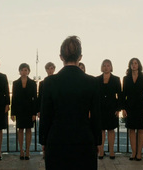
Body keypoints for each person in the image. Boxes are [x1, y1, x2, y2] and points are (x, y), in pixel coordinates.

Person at [40, 36, 101, 169]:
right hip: (84, 140)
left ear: (61, 57)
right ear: (80, 57)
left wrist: (43, 141)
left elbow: (45, 115)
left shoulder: (49, 83)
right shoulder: (92, 82)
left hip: (57, 140)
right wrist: (97, 141)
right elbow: (96, 116)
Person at [122, 58, 143, 161]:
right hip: (130, 107)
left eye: (135, 63)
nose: (134, 65)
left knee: (141, 129)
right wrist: (123, 108)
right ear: (129, 66)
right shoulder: (126, 78)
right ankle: (133, 152)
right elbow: (123, 94)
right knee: (131, 129)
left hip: (141, 106)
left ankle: (139, 153)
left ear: (139, 65)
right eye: (132, 63)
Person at [11, 63, 37, 160]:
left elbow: (35, 98)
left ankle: (28, 150)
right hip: (19, 110)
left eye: (26, 70)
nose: (24, 72)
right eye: (22, 70)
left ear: (28, 71)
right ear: (19, 71)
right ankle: (21, 150)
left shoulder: (33, 83)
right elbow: (13, 98)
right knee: (20, 130)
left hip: (29, 110)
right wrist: (13, 113)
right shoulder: (15, 83)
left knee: (29, 130)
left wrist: (34, 113)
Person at [97, 59, 121, 159]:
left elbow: (120, 95)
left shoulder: (116, 79)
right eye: (104, 65)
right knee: (101, 131)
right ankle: (101, 152)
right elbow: (95, 95)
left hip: (112, 108)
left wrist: (118, 108)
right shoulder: (97, 79)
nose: (106, 67)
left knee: (111, 130)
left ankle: (112, 151)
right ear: (102, 67)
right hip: (100, 108)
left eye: (108, 65)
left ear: (111, 67)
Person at [37, 62, 56, 158]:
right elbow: (40, 97)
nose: (50, 70)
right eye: (49, 68)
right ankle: (44, 151)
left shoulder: (57, 81)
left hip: (54, 110)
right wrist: (39, 110)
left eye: (52, 68)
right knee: (44, 130)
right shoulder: (42, 83)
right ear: (46, 70)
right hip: (44, 110)